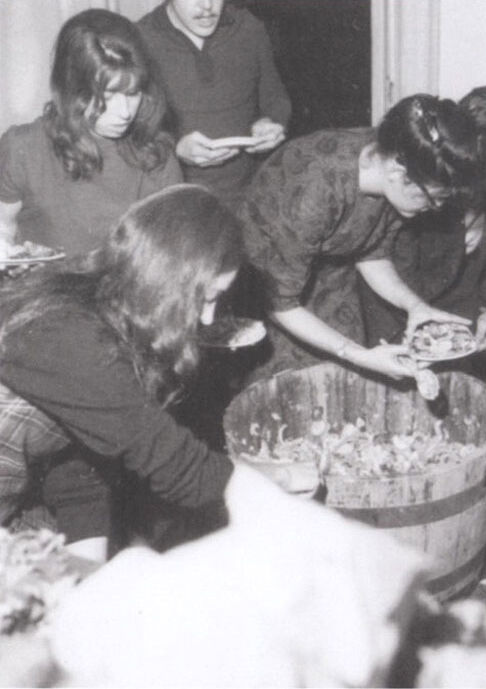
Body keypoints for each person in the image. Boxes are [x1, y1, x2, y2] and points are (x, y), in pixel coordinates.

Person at [0, 184, 262, 561]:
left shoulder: (110, 307)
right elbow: (181, 470)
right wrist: (275, 482)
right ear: (164, 278)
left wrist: (92, 568)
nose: (207, 319)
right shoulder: (68, 331)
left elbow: (79, 466)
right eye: (204, 298)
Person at [235, 93, 480, 383]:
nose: (436, 208)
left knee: (344, 379)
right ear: (397, 173)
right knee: (292, 384)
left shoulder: (396, 157)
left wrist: (415, 306)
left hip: (325, 267)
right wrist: (357, 354)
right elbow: (281, 304)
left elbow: (371, 251)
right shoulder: (313, 194)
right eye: (434, 198)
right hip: (263, 280)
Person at [361, 83, 486, 371]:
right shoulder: (424, 160)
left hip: (470, 297)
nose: (476, 181)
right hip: (397, 293)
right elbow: (380, 260)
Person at [0, 9, 182, 258]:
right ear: (72, 89)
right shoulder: (23, 148)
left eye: (132, 93)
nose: (125, 112)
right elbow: (3, 227)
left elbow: (174, 251)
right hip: (43, 292)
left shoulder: (156, 154)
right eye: (106, 96)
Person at [137, 0, 291, 207]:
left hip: (251, 191)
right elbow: (134, 132)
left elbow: (275, 98)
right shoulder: (140, 39)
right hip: (176, 197)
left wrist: (271, 122)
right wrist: (175, 150)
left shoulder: (249, 28)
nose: (207, 6)